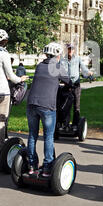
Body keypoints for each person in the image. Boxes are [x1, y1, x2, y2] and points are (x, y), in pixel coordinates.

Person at [26, 42, 71, 176]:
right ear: (57, 55)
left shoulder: (39, 66)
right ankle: (47, 167)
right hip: (47, 106)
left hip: (31, 104)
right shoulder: (57, 67)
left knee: (32, 135)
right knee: (48, 136)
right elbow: (68, 81)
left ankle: (32, 166)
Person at [0, 29, 29, 158]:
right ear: (2, 41)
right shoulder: (3, 54)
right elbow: (11, 76)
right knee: (1, 121)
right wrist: (21, 79)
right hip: (1, 91)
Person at [60, 44, 93, 130]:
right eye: (69, 49)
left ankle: (75, 124)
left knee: (76, 106)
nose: (70, 51)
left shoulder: (78, 59)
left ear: (74, 50)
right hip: (67, 85)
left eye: (72, 49)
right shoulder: (63, 60)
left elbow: (83, 68)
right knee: (66, 106)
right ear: (67, 50)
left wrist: (88, 72)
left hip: (76, 85)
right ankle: (65, 124)